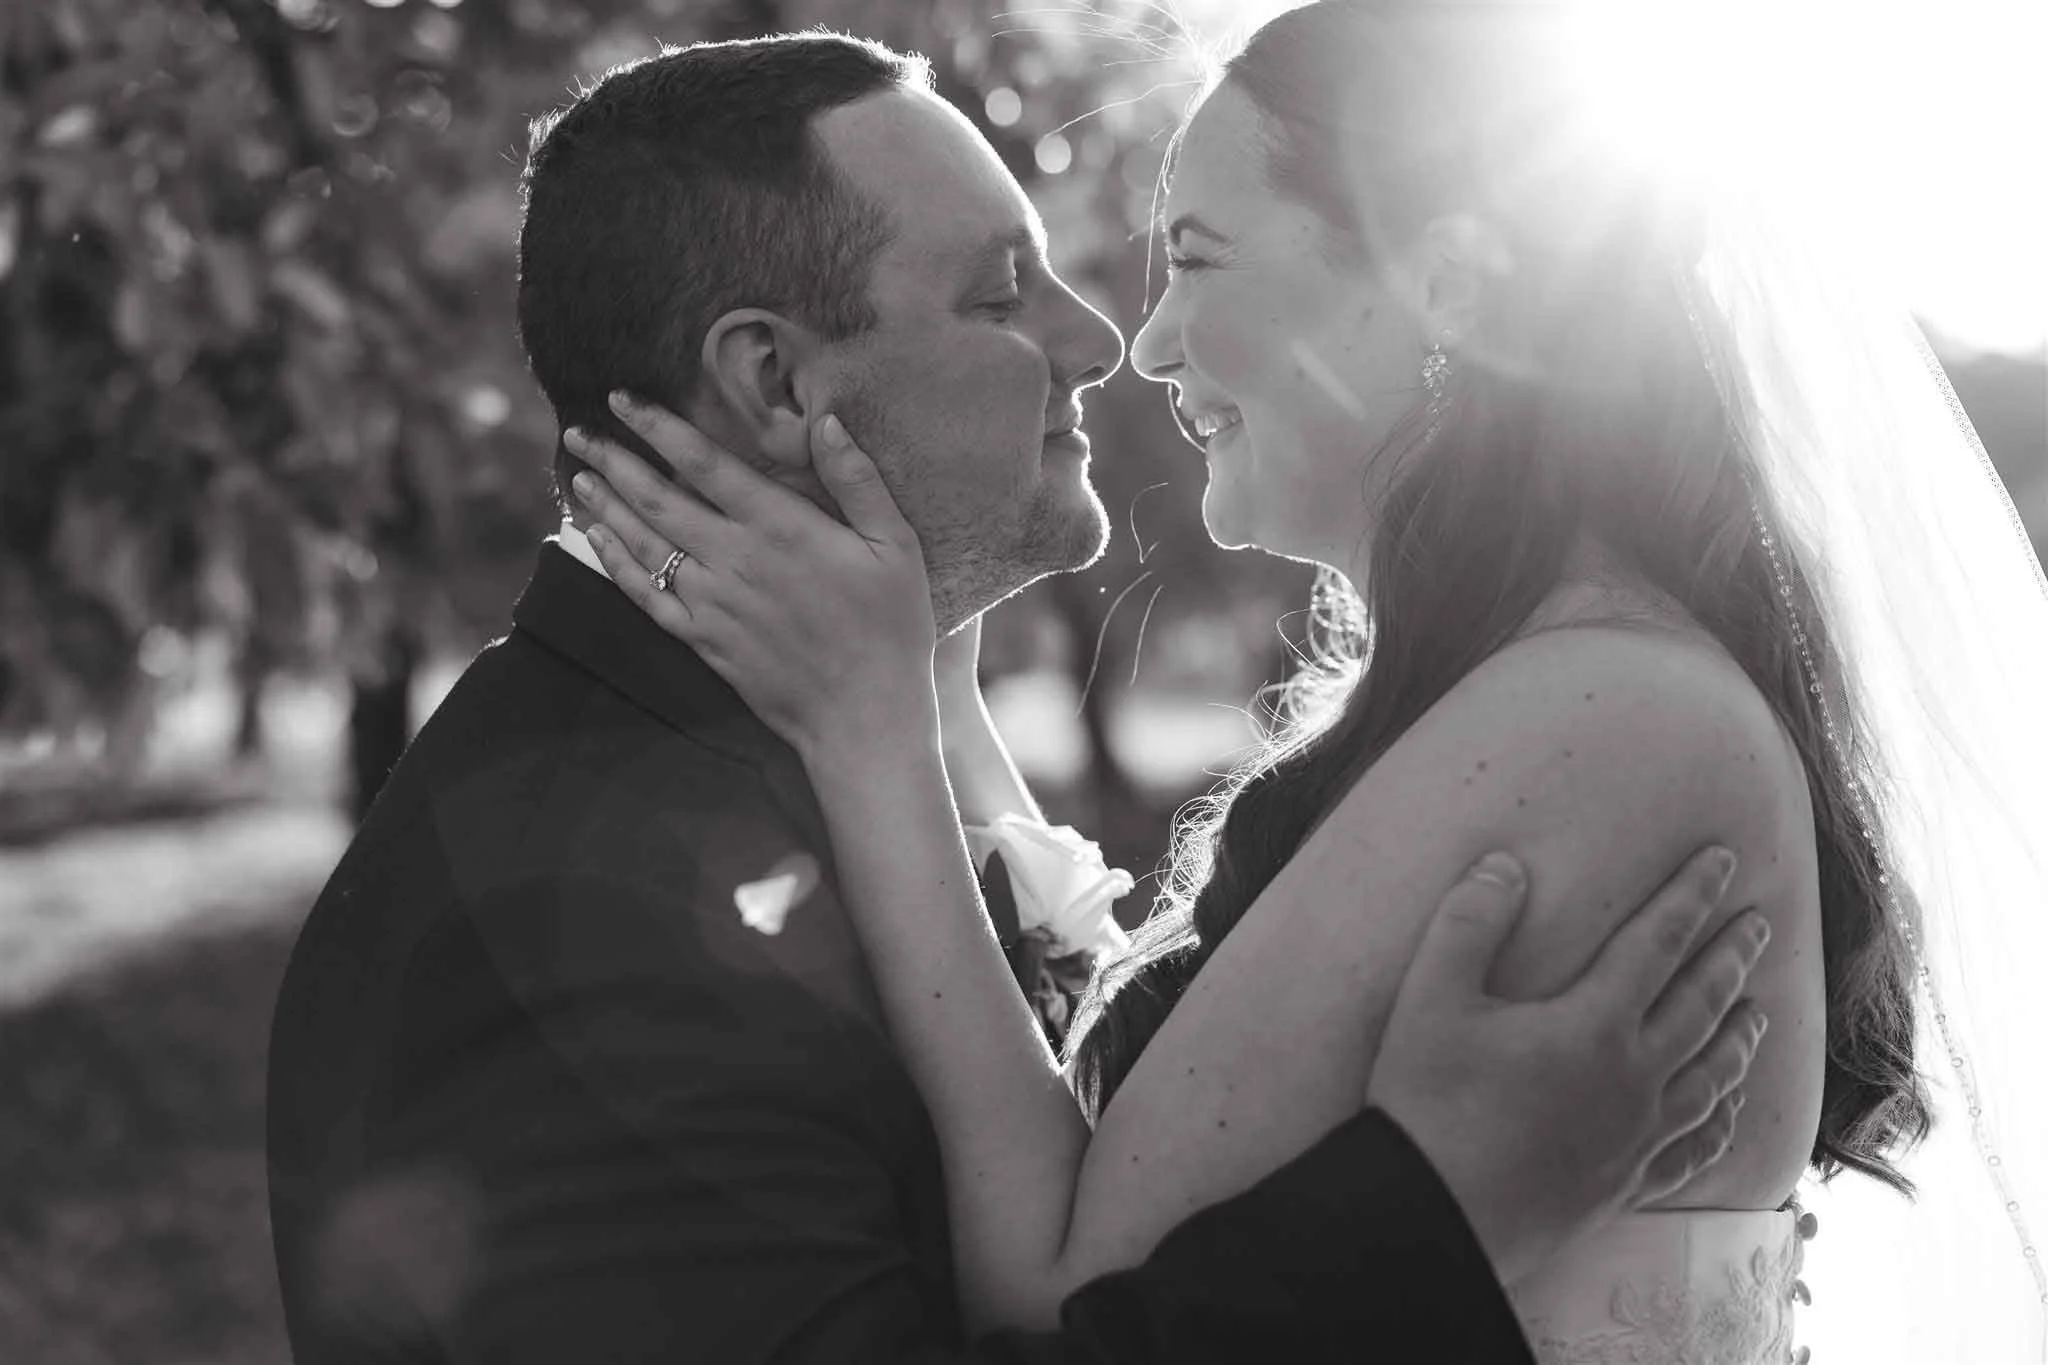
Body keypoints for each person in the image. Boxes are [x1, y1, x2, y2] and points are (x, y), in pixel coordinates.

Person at [263, 27, 1778, 1365]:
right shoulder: (574, 900)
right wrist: (1429, 1216)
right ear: (777, 384)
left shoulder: (824, 757)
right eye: (1002, 293)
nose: (1103, 340)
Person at [573, 4, 2048, 1362]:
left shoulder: (1603, 719)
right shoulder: (1551, 694)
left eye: (1197, 257)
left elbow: (1066, 1301)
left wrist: (873, 734)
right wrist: (940, 681)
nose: (1146, 343)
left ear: (1447, 286)